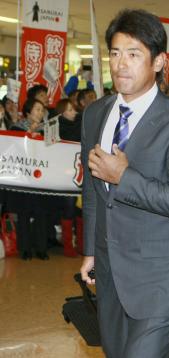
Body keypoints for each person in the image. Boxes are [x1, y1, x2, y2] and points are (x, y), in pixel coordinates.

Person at [79, 9, 169, 358]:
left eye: (134, 54)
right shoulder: (96, 114)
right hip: (110, 271)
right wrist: (92, 251)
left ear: (159, 62)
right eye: (115, 52)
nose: (121, 64)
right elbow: (93, 192)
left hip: (162, 273)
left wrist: (125, 177)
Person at [9, 99, 49, 260]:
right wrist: (29, 136)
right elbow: (14, 152)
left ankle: (41, 248)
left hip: (41, 177)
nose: (40, 113)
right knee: (23, 213)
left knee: (41, 213)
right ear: (28, 112)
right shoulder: (16, 128)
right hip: (23, 177)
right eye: (37, 109)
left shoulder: (47, 130)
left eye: (42, 110)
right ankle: (24, 249)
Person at [55, 98, 84, 257]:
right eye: (70, 110)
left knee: (81, 209)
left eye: (74, 109)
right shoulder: (56, 129)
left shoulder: (82, 125)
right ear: (61, 113)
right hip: (64, 176)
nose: (74, 112)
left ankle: (81, 244)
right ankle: (68, 246)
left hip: (80, 173)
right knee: (68, 209)